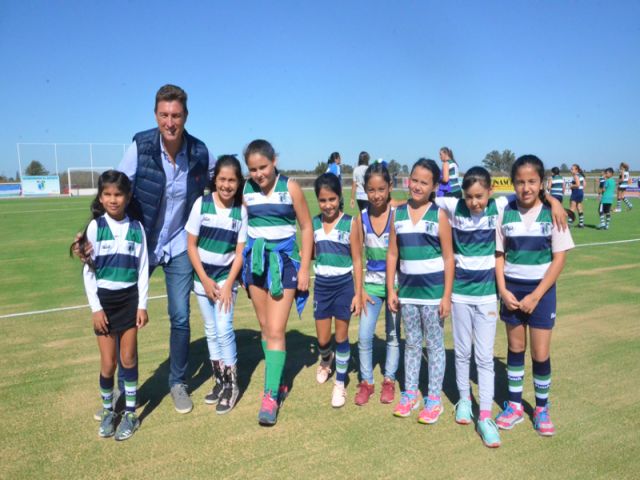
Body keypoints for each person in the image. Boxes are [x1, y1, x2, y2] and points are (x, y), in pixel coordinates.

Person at [495, 155, 574, 437]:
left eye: (531, 181)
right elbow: (499, 255)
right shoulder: (505, 211)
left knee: (540, 353)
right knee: (516, 350)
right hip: (511, 292)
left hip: (542, 293)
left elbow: (559, 259)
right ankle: (515, 406)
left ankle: (541, 409)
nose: (525, 187)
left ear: (542, 183)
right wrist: (503, 290)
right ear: (512, 183)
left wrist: (537, 296)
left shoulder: (553, 213)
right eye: (520, 182)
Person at [241, 139, 313, 426]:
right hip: (255, 264)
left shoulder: (290, 187)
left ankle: (270, 395)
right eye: (253, 169)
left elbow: (306, 227)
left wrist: (305, 268)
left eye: (263, 167)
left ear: (275, 161)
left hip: (284, 264)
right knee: (264, 326)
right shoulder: (246, 190)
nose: (259, 174)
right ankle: (278, 378)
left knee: (275, 329)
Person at [74, 170, 149, 441]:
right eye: (107, 194)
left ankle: (130, 413)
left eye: (118, 194)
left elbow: (142, 269)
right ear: (101, 197)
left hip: (129, 301)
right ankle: (109, 411)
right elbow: (89, 270)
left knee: (128, 360)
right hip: (105, 303)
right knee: (108, 364)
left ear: (128, 197)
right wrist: (96, 308)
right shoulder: (95, 227)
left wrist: (142, 305)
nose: (113, 199)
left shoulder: (137, 228)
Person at [387, 158, 454, 424]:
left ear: (434, 186)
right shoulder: (398, 213)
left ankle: (434, 399)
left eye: (423, 182)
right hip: (407, 293)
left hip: (433, 294)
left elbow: (449, 258)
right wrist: (392, 289)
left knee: (435, 346)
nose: (416, 185)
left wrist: (446, 296)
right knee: (412, 344)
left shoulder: (438, 214)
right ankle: (410, 394)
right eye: (414, 179)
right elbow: (393, 253)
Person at [185, 155, 247, 414]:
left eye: (232, 180)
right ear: (215, 180)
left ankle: (232, 385)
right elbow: (191, 246)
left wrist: (228, 282)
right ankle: (219, 380)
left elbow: (240, 253)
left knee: (223, 328)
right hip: (203, 279)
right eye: (222, 179)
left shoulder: (240, 211)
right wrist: (205, 280)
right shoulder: (202, 204)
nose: (226, 185)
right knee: (211, 329)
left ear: (238, 182)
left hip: (225, 279)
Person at [312, 173, 363, 407]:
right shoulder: (313, 223)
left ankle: (340, 383)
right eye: (323, 200)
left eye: (332, 199)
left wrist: (358, 292)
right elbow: (310, 253)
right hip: (321, 286)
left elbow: (357, 259)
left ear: (339, 197)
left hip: (343, 286)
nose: (328, 205)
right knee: (323, 340)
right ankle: (326, 360)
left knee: (341, 336)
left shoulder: (351, 222)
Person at [353, 162, 401, 406]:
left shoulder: (397, 214)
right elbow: (358, 257)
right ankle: (366, 382)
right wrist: (359, 291)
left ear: (390, 187)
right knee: (364, 336)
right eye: (371, 190)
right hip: (371, 289)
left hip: (395, 287)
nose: (376, 195)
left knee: (393, 335)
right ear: (364, 190)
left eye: (381, 189)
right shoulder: (361, 218)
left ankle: (389, 380)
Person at [568, 164, 585, 228]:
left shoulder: (575, 176)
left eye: (572, 169)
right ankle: (581, 224)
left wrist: (571, 186)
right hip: (580, 192)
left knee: (572, 208)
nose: (571, 170)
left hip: (576, 192)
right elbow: (584, 184)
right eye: (571, 169)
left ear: (576, 170)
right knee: (579, 207)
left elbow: (577, 185)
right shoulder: (581, 176)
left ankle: (569, 224)